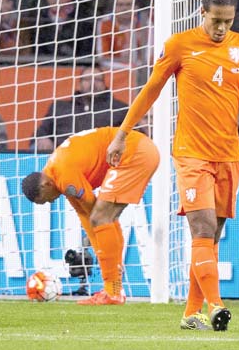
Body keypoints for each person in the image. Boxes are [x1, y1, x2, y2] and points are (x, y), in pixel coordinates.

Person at [104, 0, 239, 331]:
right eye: (215, 21)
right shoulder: (180, 46)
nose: (222, 28)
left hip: (228, 154)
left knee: (213, 234)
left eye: (228, 21)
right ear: (202, 14)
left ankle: (190, 312)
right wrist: (123, 134)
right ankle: (216, 306)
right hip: (191, 153)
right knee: (203, 227)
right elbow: (150, 90)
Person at [22, 126, 159, 305]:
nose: (51, 202)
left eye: (46, 200)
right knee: (102, 219)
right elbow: (85, 215)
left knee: (102, 217)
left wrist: (108, 257)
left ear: (46, 185)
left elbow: (97, 215)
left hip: (134, 153)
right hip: (137, 150)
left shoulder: (64, 175)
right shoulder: (56, 173)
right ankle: (113, 289)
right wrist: (100, 249)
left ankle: (113, 291)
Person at [34, 66, 127, 151]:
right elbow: (41, 132)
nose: (92, 83)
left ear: (104, 84)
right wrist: (43, 139)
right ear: (80, 83)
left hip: (104, 160)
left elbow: (133, 137)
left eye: (97, 79)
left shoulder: (119, 109)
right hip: (64, 158)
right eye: (87, 79)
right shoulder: (60, 107)